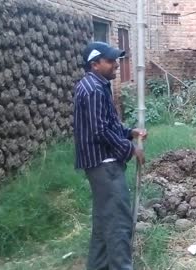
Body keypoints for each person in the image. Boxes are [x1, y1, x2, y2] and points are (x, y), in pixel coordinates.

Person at [73, 41, 147, 270]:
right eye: (111, 61)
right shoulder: (94, 89)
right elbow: (100, 130)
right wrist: (131, 149)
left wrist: (129, 132)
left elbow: (107, 124)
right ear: (95, 64)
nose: (117, 64)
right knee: (117, 223)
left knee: (104, 221)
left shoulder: (94, 85)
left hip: (98, 163)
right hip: (104, 165)